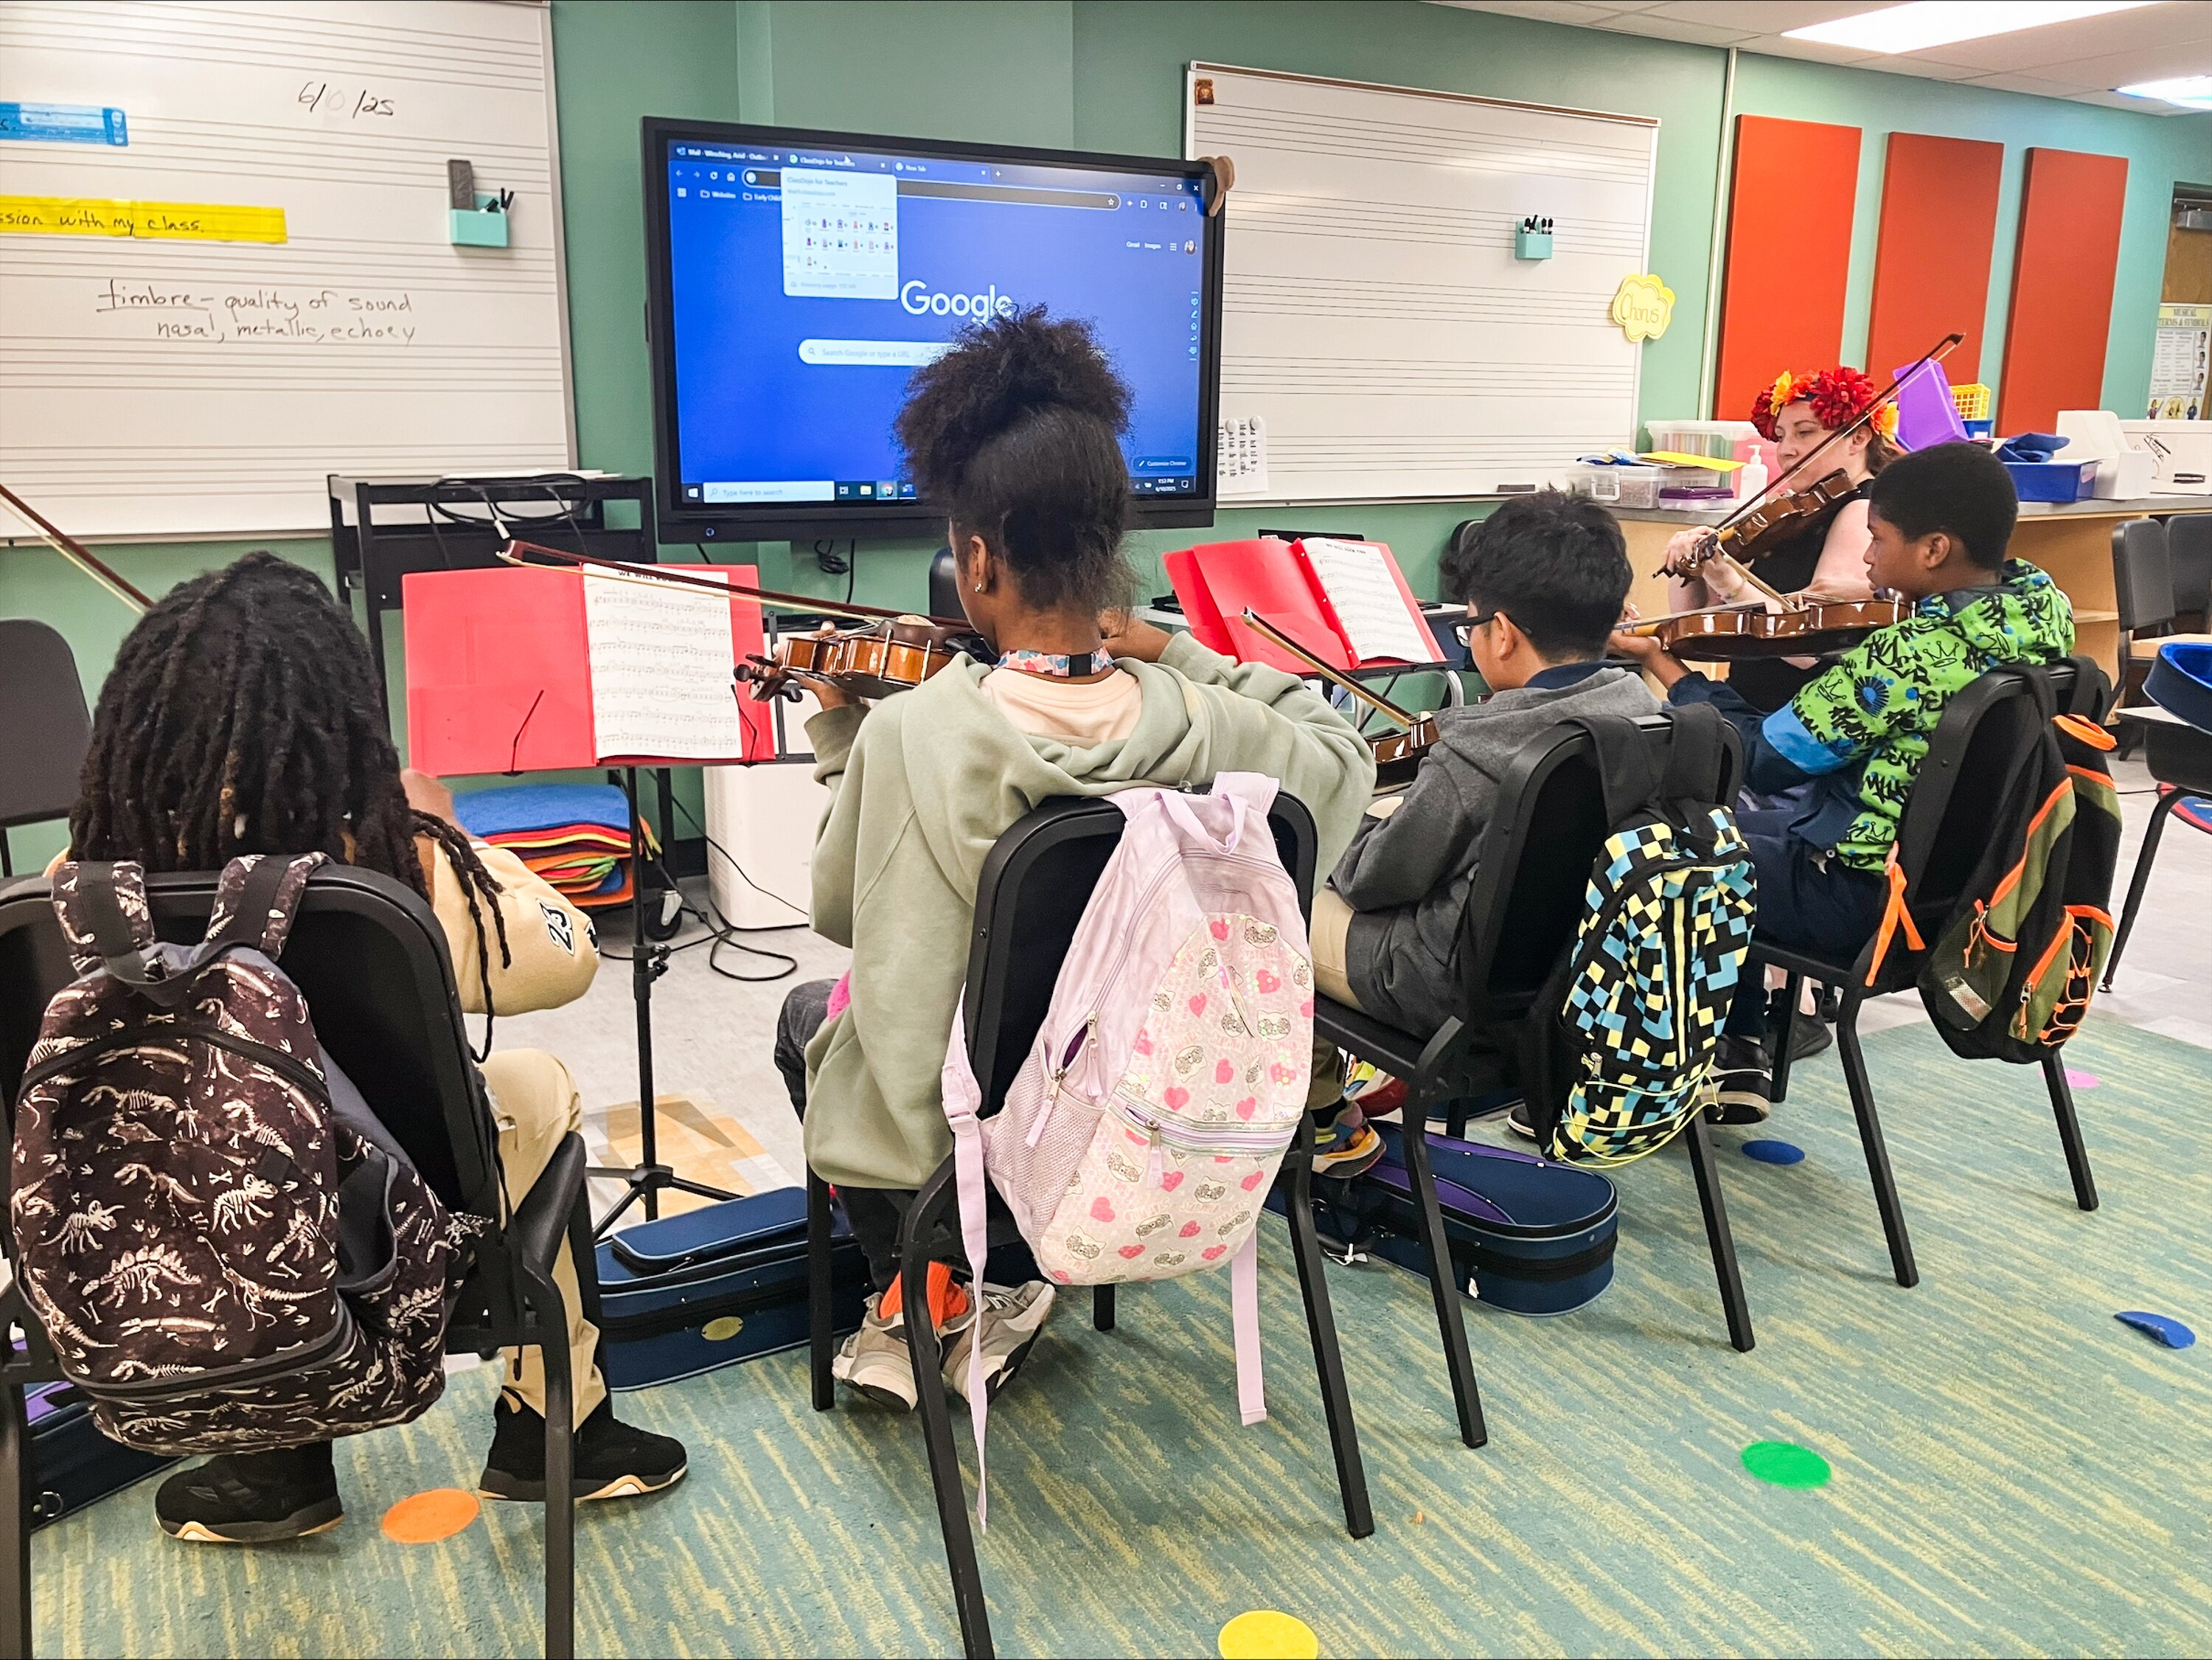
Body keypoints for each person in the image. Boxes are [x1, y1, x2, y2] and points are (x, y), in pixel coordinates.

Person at [773, 307, 1374, 1413]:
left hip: (976, 1143)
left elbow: (848, 909)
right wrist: (1180, 649)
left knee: (811, 1016)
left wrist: (844, 736)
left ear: (978, 559)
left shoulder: (914, 735)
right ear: (1106, 554)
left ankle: (947, 1283)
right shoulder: (1208, 718)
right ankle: (988, 1285)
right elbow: (1343, 757)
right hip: (1155, 1101)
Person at [66, 553, 686, 1543]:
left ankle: (272, 1465)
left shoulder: (79, 889)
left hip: (157, 1236)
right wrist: (445, 828)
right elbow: (566, 956)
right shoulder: (394, 869)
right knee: (537, 1084)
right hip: (388, 1232)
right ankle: (557, 1426)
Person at [1615, 441, 2075, 1121]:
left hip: (1863, 902)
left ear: (1934, 549)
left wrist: (1663, 663)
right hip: (1970, 896)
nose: (1866, 559)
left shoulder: (1910, 656)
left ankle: (1633, 1072)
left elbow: (1759, 756)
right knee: (1721, 824)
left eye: (1878, 539)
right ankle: (1734, 1053)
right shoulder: (2046, 619)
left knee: (1649, 839)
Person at [1309, 490, 1658, 1142]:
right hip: (1585, 992)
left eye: (1469, 623)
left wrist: (1358, 821)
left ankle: (1320, 1120)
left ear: (1502, 633)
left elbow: (1371, 881)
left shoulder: (1478, 752)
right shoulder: (1650, 719)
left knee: (1268, 900)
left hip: (1446, 992)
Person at [1663, 366, 1900, 715]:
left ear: (1858, 438)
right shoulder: (1795, 513)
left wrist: (1728, 581)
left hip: (1797, 716)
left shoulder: (1861, 511)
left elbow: (1809, 650)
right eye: (1780, 436)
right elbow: (1701, 624)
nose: (1786, 450)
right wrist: (1688, 565)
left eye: (1805, 433)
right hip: (1753, 703)